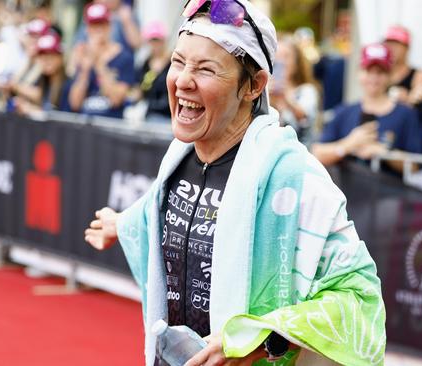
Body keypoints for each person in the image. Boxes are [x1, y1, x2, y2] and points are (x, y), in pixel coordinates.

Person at [84, 0, 385, 365]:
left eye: (206, 69)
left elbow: (359, 299)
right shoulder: (179, 158)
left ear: (254, 85)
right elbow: (159, 211)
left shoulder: (292, 177)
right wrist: (123, 223)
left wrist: (263, 337)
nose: (182, 80)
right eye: (178, 62)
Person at [312, 43, 422, 170]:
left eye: (380, 72)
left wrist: (383, 152)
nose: (374, 77)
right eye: (368, 71)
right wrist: (348, 145)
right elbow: (318, 152)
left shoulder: (406, 114)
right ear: (359, 73)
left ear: (390, 76)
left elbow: (414, 165)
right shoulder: (344, 112)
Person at [66, 3, 135, 118]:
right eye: (93, 25)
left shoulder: (124, 57)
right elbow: (75, 103)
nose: (98, 30)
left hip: (111, 124)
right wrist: (85, 69)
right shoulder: (84, 55)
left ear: (109, 26)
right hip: (86, 123)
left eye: (102, 24)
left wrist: (99, 64)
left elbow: (116, 99)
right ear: (87, 29)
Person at [270, 36, 320, 144]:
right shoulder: (263, 90)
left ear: (296, 63)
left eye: (286, 56)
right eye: (276, 56)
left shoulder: (306, 90)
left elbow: (305, 118)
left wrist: (286, 99)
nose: (280, 61)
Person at [11, 31, 67, 116]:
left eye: (51, 55)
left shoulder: (67, 85)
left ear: (60, 57)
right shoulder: (43, 81)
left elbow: (65, 119)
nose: (46, 60)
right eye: (42, 56)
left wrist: (32, 111)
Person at [383, 25, 422, 106]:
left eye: (397, 44)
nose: (392, 48)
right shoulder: (381, 74)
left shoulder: (418, 76)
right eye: (389, 44)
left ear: (407, 48)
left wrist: (409, 99)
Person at [134, 21, 171, 122]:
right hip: (150, 113)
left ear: (164, 41)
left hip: (169, 114)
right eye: (152, 41)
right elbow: (143, 89)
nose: (155, 44)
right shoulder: (146, 64)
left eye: (158, 40)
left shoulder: (173, 62)